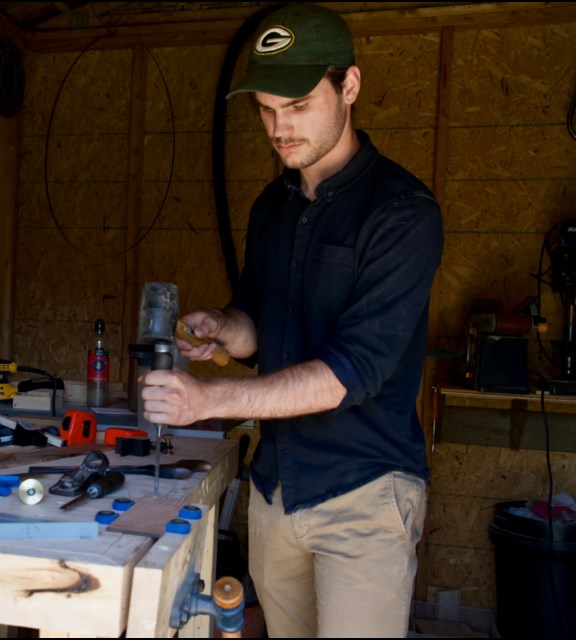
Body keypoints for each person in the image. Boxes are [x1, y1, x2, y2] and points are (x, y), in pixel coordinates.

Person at [140, 3, 444, 637]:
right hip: (277, 493)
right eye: (266, 110)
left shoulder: (404, 213)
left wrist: (206, 401)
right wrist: (223, 326)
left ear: (349, 86)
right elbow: (260, 330)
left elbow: (346, 373)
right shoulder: (269, 207)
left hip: (364, 495)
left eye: (299, 106)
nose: (280, 128)